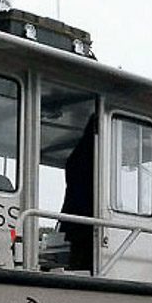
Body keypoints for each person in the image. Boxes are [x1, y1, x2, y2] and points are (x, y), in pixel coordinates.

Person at [59, 115, 97, 271]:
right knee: (84, 263)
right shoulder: (92, 155)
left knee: (77, 262)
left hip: (75, 220)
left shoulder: (77, 155)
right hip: (86, 221)